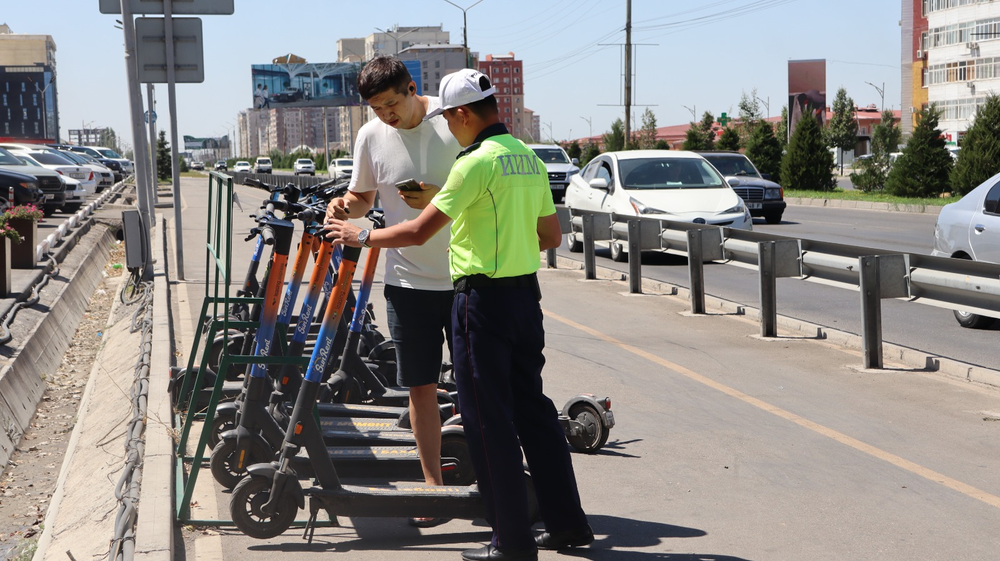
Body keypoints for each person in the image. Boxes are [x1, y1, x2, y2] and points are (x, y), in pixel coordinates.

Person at [325, 68, 593, 561]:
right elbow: (551, 237)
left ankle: (510, 541)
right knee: (533, 412)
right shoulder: (528, 157)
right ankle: (568, 524)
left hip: (478, 300)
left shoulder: (472, 164)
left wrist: (360, 236)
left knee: (486, 423)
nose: (448, 125)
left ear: (463, 114)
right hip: (523, 298)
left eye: (450, 118)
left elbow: (417, 232)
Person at [323, 56, 460, 528]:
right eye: (376, 109)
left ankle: (492, 478)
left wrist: (438, 194)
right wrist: (345, 204)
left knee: (479, 384)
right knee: (419, 386)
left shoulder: (453, 120)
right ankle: (433, 489)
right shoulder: (370, 136)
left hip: (467, 276)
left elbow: (485, 190)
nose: (386, 116)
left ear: (412, 88)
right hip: (405, 280)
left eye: (391, 105)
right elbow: (364, 195)